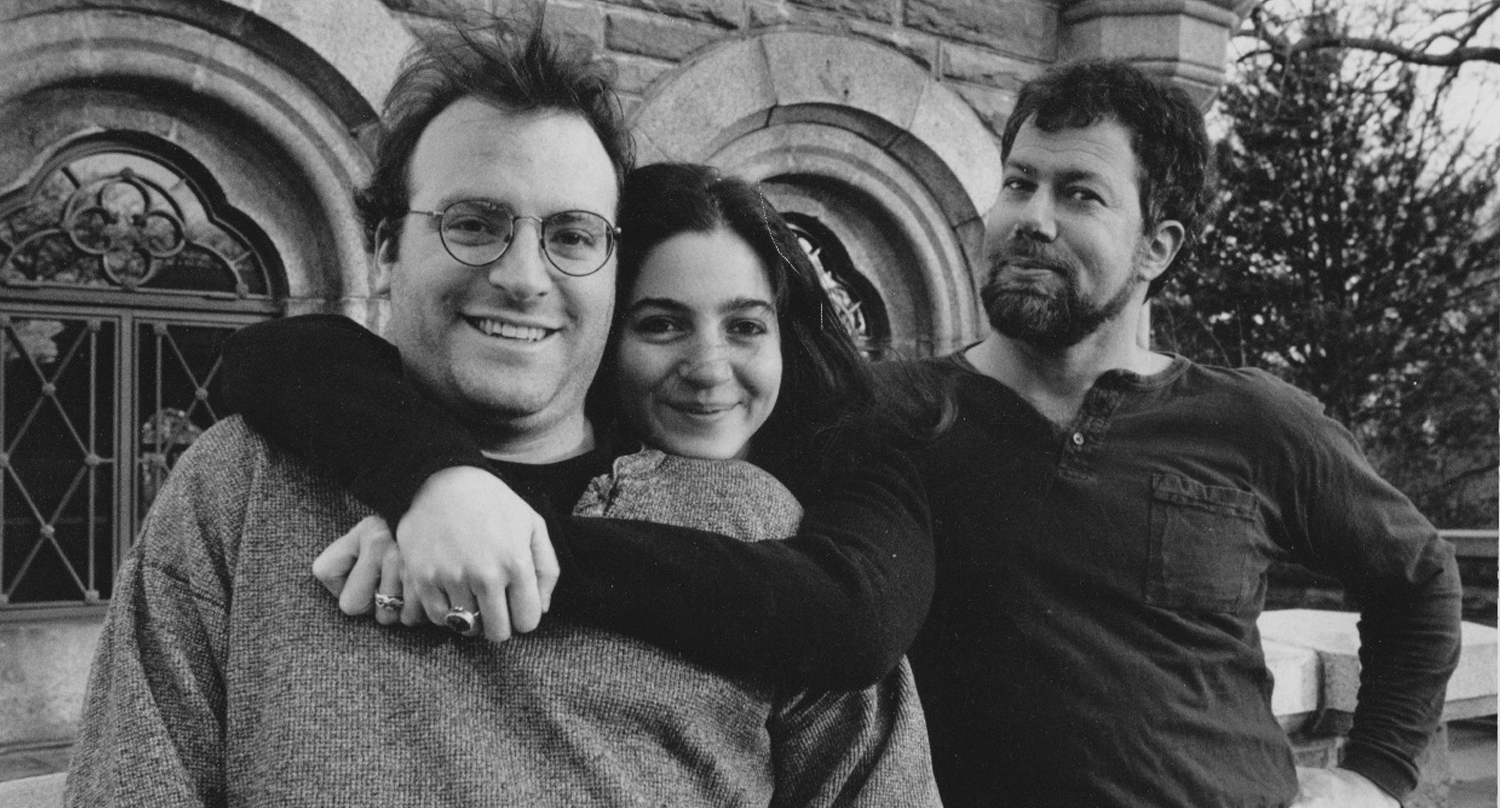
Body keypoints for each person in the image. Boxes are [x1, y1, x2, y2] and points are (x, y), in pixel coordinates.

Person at [219, 60, 1463, 808]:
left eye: (1078, 193)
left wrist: (1374, 775)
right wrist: (435, 476)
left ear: (1160, 247)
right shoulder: (911, 410)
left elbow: (1418, 582)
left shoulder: (1254, 420)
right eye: (1018, 181)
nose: (1029, 216)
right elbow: (285, 356)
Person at [65, 20, 939, 806]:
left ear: (611, 266)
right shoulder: (240, 493)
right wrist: (435, 480)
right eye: (475, 224)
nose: (523, 277)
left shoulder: (764, 526)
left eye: (571, 236)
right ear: (386, 247)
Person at [311, 160, 941, 805]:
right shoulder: (558, 449)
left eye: (746, 327)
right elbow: (291, 351)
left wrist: (498, 548)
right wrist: (436, 483)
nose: (708, 368)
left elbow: (856, 618)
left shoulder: (852, 456)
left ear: (789, 337)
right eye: (661, 324)